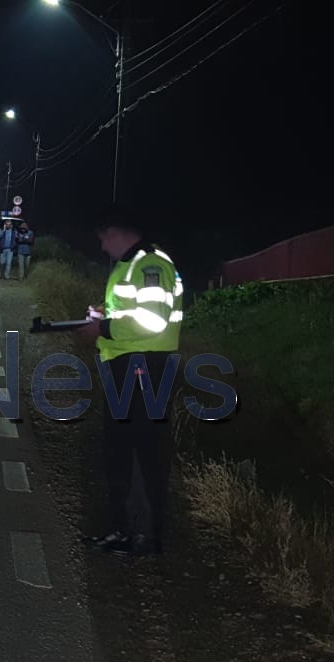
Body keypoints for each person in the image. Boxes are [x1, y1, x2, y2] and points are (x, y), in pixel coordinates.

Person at [78, 206, 183, 557]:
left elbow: (153, 321)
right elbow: (132, 314)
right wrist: (104, 316)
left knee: (139, 452)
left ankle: (139, 535)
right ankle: (125, 529)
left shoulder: (150, 265)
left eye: (103, 238)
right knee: (120, 449)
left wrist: (103, 327)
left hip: (144, 369)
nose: (102, 246)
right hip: (129, 366)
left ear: (117, 231)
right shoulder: (132, 265)